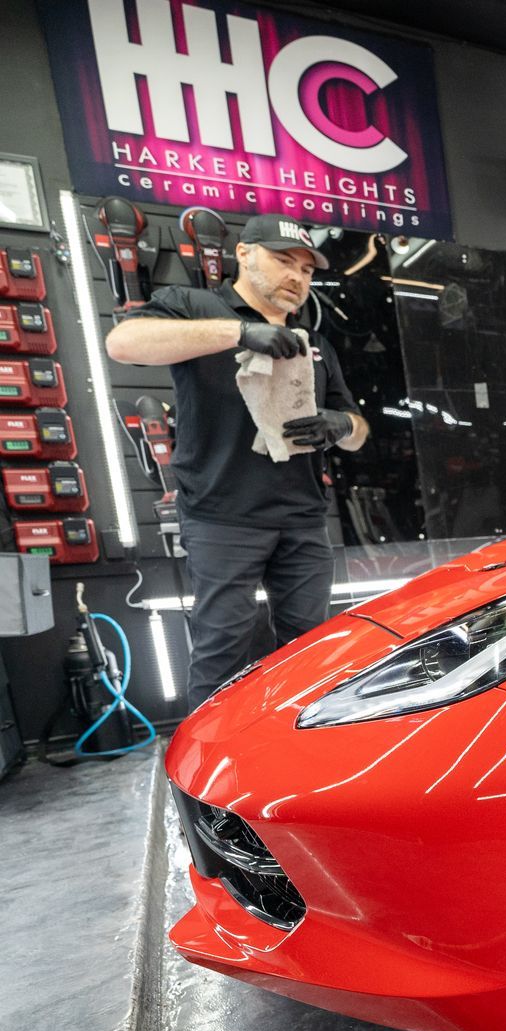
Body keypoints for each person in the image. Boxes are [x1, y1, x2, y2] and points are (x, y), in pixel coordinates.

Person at [103, 215, 370, 705]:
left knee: (312, 649)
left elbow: (358, 432)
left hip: (302, 518)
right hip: (221, 516)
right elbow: (122, 344)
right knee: (222, 648)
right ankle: (208, 771)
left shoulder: (315, 344)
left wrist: (339, 425)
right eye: (284, 262)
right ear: (243, 254)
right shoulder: (196, 307)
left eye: (307, 271)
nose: (297, 278)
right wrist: (240, 334)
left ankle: (299, 754)